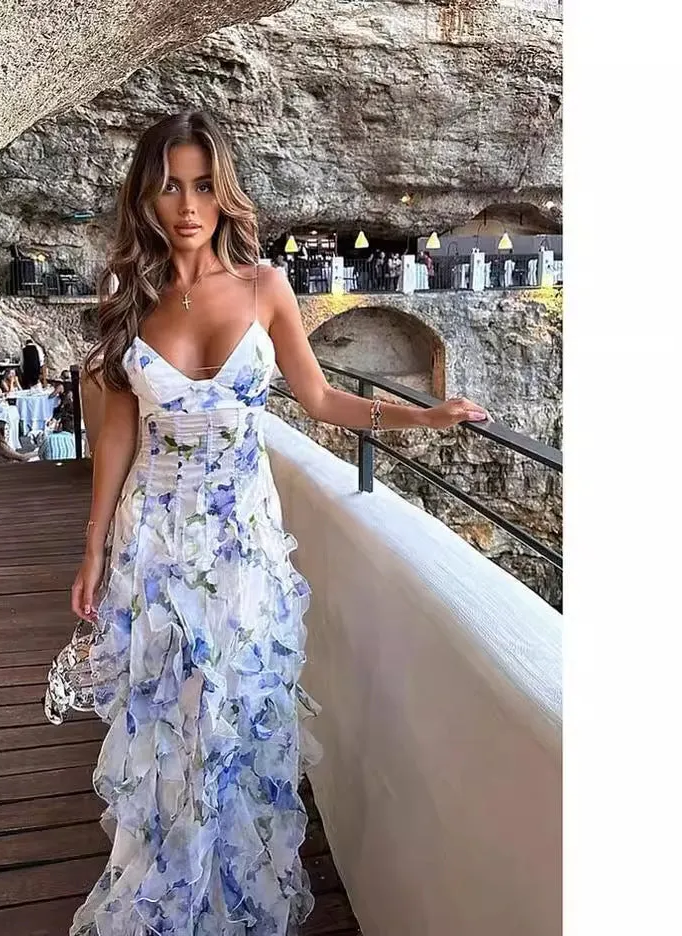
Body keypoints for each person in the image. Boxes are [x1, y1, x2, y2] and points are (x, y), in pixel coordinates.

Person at [67, 110, 488, 934]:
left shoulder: (266, 287)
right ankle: (168, 898)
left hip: (243, 549)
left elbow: (320, 397)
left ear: (224, 191)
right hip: (155, 541)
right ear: (145, 196)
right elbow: (117, 433)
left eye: (203, 186)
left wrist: (424, 417)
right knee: (170, 722)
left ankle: (230, 902)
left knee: (236, 715)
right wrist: (93, 549)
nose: (188, 206)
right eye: (169, 187)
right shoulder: (131, 299)